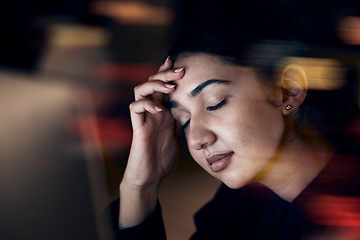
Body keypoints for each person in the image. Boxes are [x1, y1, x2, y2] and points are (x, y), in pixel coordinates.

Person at [107, 8, 360, 240]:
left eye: (215, 103)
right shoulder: (239, 209)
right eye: (182, 121)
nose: (196, 139)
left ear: (288, 90)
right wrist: (140, 186)